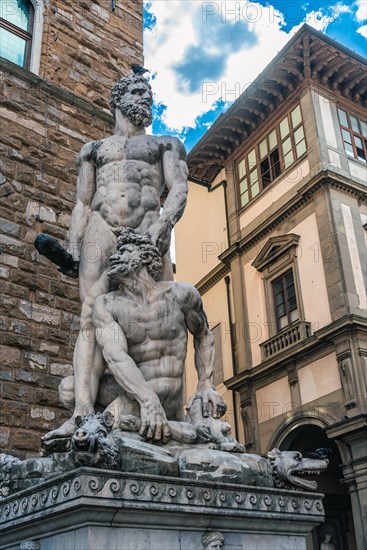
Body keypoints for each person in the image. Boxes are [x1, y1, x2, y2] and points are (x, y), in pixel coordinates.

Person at [44, 73, 188, 440]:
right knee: (90, 315)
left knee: (164, 313)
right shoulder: (92, 150)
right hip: (101, 227)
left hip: (148, 228)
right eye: (138, 91)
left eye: (149, 93)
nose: (146, 98)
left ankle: (173, 414)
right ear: (118, 99)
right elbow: (81, 202)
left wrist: (165, 224)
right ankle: (81, 414)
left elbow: (178, 189)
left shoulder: (165, 144)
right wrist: (74, 245)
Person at [87, 228, 227, 443]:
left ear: (144, 257)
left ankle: (168, 426)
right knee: (68, 388)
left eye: (124, 251)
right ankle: (177, 430)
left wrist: (206, 384)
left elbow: (204, 335)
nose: (115, 257)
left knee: (104, 432)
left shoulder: (181, 294)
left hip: (165, 387)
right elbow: (116, 357)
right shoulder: (107, 304)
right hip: (137, 390)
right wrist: (148, 400)